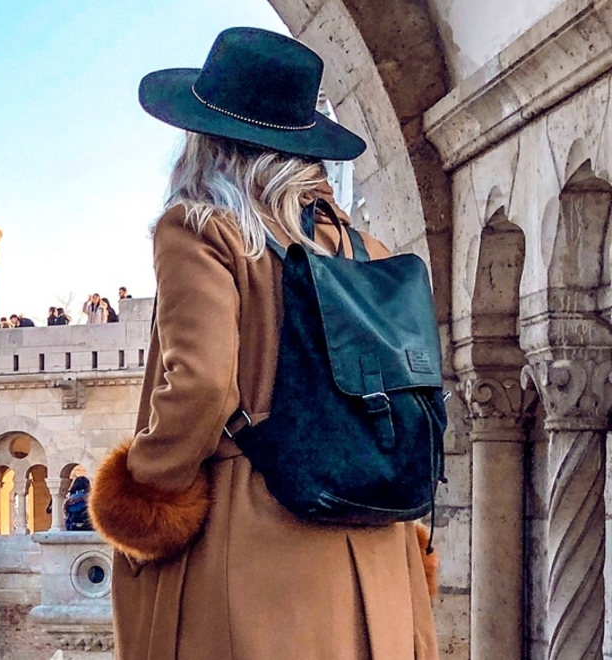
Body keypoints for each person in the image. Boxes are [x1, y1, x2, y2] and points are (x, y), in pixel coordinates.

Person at [88, 28, 438, 660]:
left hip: (255, 545)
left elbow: (201, 383)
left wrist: (149, 489)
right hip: (378, 550)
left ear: (206, 140)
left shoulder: (202, 231)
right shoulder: (368, 253)